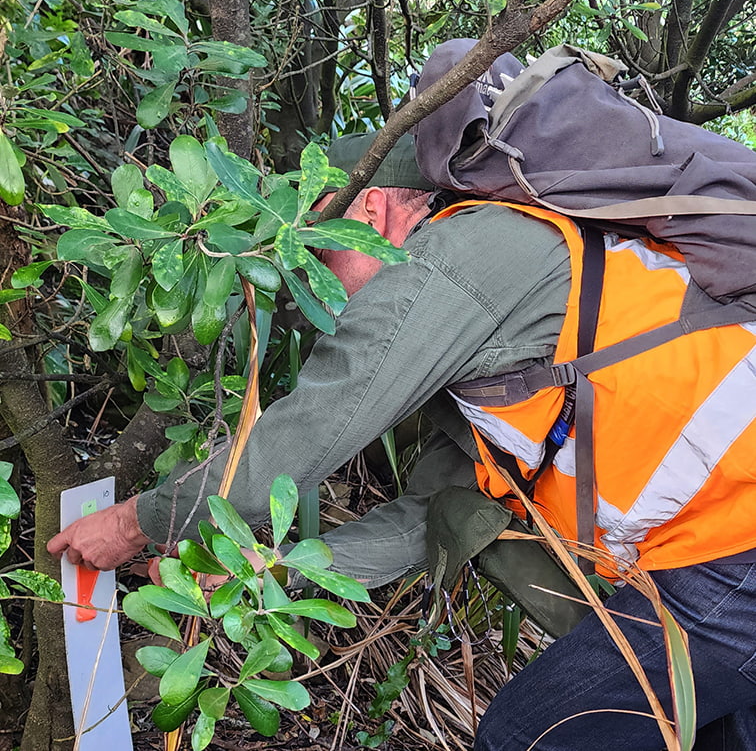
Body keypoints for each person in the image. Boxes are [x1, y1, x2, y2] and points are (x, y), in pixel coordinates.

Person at [48, 131, 756, 750]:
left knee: (527, 737)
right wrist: (267, 571)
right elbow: (434, 516)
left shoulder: (459, 256)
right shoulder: (481, 347)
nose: (319, 302)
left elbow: (303, 437)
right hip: (710, 549)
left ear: (371, 211)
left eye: (314, 260)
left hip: (733, 551)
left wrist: (134, 523)